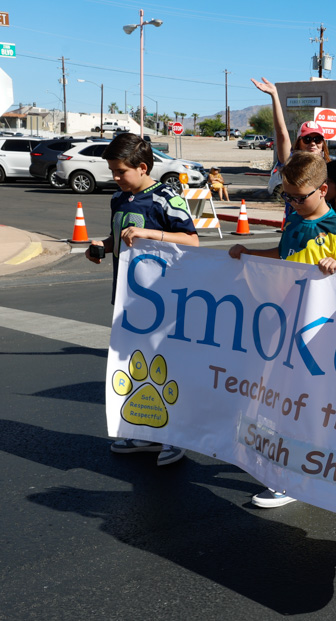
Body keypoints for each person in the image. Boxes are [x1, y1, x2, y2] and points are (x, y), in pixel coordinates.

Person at [229, 151, 336, 508]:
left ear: (323, 190)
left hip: (318, 337)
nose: (291, 202)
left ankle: (294, 477)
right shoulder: (294, 223)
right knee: (283, 403)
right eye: (286, 196)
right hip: (287, 329)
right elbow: (285, 254)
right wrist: (250, 253)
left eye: (298, 197)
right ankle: (290, 470)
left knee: (304, 406)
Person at [88, 132, 200, 467]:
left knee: (167, 368)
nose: (115, 177)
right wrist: (102, 247)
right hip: (128, 300)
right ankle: (147, 432)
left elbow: (192, 241)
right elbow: (119, 237)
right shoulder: (118, 199)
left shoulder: (166, 197)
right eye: (112, 171)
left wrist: (152, 233)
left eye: (121, 171)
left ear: (142, 167)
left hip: (164, 304)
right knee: (139, 367)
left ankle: (175, 436)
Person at [251, 77, 331, 219]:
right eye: (307, 139)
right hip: (296, 226)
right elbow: (282, 133)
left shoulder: (329, 168)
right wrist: (275, 95)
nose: (312, 143)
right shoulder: (291, 163)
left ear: (323, 144)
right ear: (299, 143)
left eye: (317, 139)